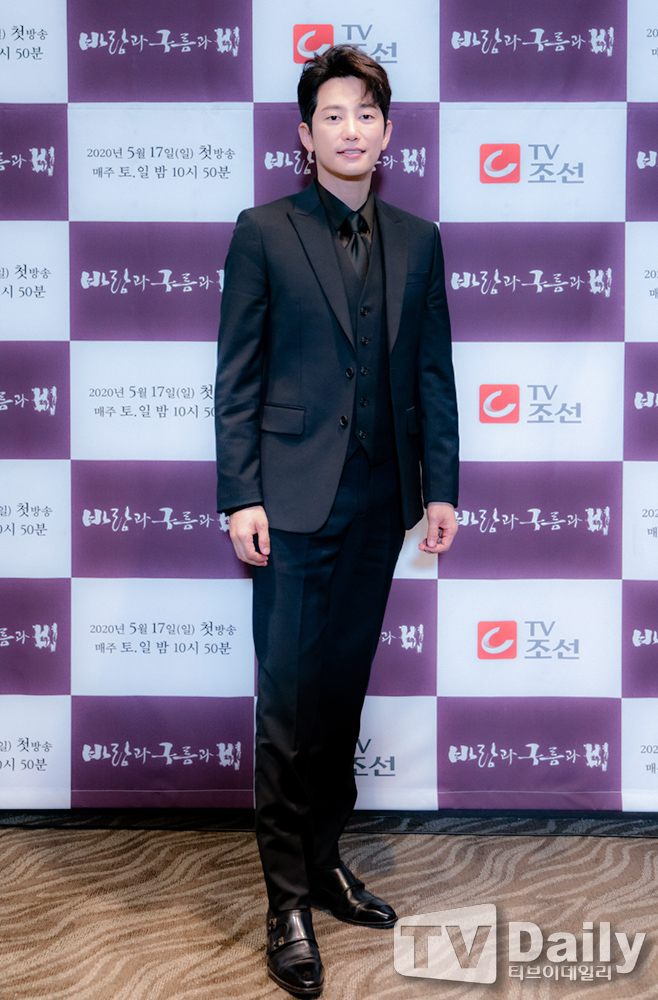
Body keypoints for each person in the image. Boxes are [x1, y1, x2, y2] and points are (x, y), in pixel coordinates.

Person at [214, 45, 459, 999]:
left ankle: (323, 863)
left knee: (342, 696)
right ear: (305, 133)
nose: (350, 129)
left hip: (378, 506)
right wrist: (241, 494)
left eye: (366, 113)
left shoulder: (420, 239)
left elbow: (433, 374)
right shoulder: (262, 232)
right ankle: (285, 903)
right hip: (287, 505)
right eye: (333, 114)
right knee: (287, 706)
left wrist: (441, 489)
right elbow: (236, 379)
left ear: (387, 131)